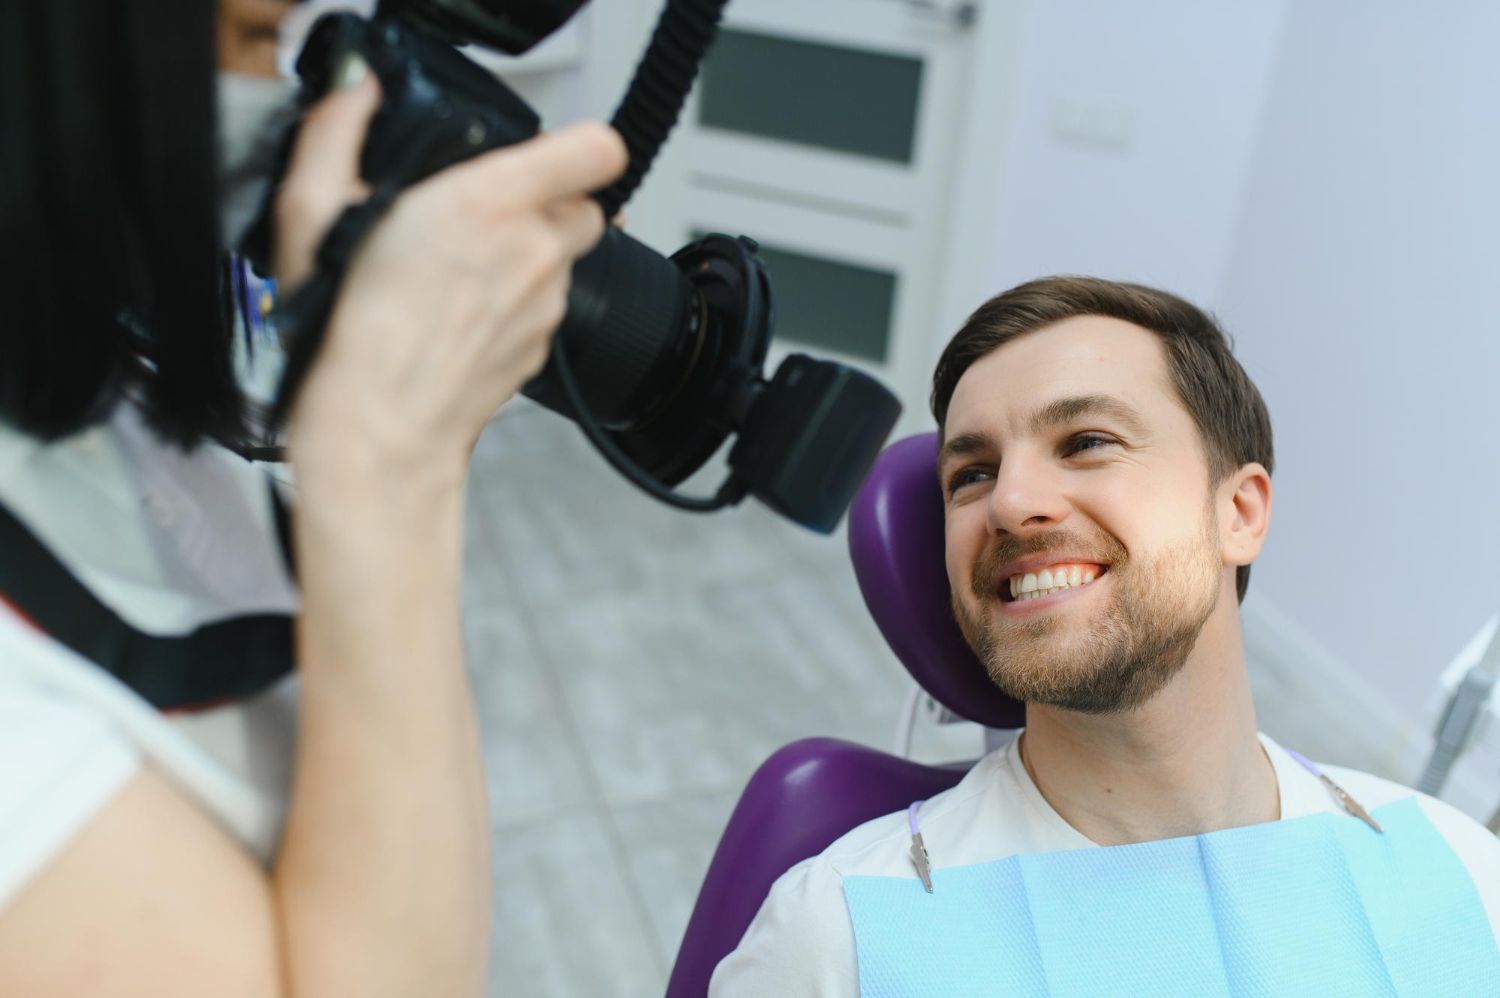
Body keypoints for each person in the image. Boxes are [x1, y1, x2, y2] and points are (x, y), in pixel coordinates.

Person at [0, 3, 625, 996]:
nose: (287, 110)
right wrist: (393, 468)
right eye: (253, 46)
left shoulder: (81, 389)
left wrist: (412, 412)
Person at [710, 276, 1500, 994]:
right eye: (971, 475)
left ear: (1240, 512)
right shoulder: (840, 936)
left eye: (1087, 442)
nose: (1011, 503)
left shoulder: (1460, 872)